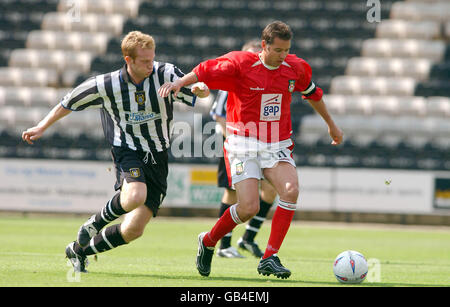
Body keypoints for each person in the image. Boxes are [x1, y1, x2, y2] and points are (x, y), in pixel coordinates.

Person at [159, 21, 343, 279]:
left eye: (287, 50)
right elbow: (204, 70)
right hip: (242, 142)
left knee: (290, 191)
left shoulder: (294, 67)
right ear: (265, 45)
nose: (283, 56)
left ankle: (270, 256)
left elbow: (313, 93)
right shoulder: (240, 64)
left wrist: (332, 126)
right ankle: (209, 241)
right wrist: (180, 83)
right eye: (278, 50)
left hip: (276, 143)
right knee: (248, 208)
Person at [21, 31, 210, 273]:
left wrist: (200, 91)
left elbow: (195, 89)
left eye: (152, 59)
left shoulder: (165, 73)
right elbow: (68, 102)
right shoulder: (106, 84)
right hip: (127, 149)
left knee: (133, 230)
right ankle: (93, 224)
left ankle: (79, 251)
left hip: (159, 156)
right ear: (128, 59)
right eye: (144, 61)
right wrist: (41, 126)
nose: (150, 65)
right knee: (134, 196)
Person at [211, 40, 277, 259]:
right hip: (237, 146)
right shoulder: (233, 79)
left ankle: (248, 238)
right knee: (231, 193)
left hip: (260, 146)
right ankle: (224, 245)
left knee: (270, 189)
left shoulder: (263, 80)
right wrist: (234, 140)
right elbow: (218, 114)